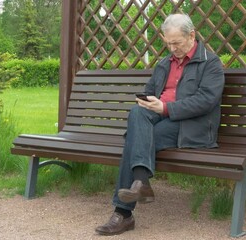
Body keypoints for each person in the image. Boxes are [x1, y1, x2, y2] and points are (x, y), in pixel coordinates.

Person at [95, 13, 225, 236]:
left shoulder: (210, 63)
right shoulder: (165, 63)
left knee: (134, 139)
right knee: (137, 112)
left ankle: (123, 213)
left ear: (192, 35)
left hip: (191, 125)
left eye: (177, 42)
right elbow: (149, 91)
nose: (173, 48)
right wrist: (146, 101)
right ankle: (141, 183)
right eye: (168, 43)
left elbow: (206, 101)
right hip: (158, 116)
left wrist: (166, 108)